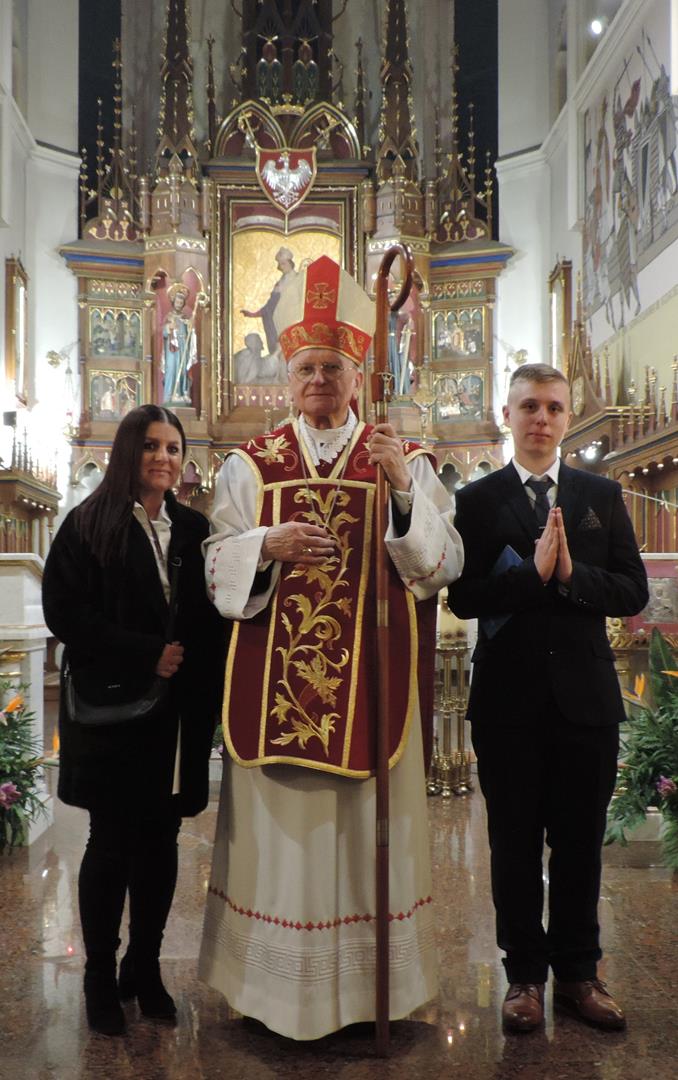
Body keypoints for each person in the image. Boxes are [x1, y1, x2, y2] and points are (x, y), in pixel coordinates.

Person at [199, 254, 464, 1040]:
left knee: (364, 843)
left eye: (333, 368)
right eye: (307, 367)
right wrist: (264, 544)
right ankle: (274, 993)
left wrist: (404, 490)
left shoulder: (401, 459)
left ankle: (368, 992)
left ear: (357, 376)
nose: (320, 379)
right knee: (283, 851)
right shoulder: (249, 468)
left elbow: (442, 564)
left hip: (373, 690)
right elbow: (214, 568)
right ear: (287, 378)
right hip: (276, 694)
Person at [448, 363, 648, 1034]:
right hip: (507, 703)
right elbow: (463, 597)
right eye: (529, 406)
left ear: (567, 418)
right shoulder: (476, 500)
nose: (541, 418)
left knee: (580, 844)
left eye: (554, 407)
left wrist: (569, 574)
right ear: (506, 415)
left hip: (585, 702)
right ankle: (525, 978)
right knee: (512, 844)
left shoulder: (601, 494)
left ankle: (580, 975)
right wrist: (529, 578)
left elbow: (631, 589)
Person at [42, 404, 226, 1037]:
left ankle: (143, 967)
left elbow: (213, 615)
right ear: (127, 451)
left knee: (161, 840)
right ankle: (99, 973)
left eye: (173, 448)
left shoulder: (195, 527)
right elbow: (66, 614)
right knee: (110, 841)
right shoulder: (88, 522)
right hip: (113, 710)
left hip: (177, 714)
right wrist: (145, 652)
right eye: (151, 446)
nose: (163, 458)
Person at [241, 246, 298, 355]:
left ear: (290, 263)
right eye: (280, 264)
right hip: (278, 321)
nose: (280, 267)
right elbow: (271, 305)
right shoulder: (281, 282)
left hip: (291, 322)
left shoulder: (297, 279)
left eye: (283, 264)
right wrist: (253, 314)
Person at [162, 284, 196, 404]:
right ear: (173, 301)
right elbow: (163, 334)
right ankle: (170, 394)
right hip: (172, 349)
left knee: (182, 371)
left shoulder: (185, 318)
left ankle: (182, 392)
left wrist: (191, 327)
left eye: (181, 301)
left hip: (183, 347)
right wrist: (168, 328)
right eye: (177, 300)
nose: (179, 303)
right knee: (172, 369)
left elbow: (190, 335)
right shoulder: (169, 317)